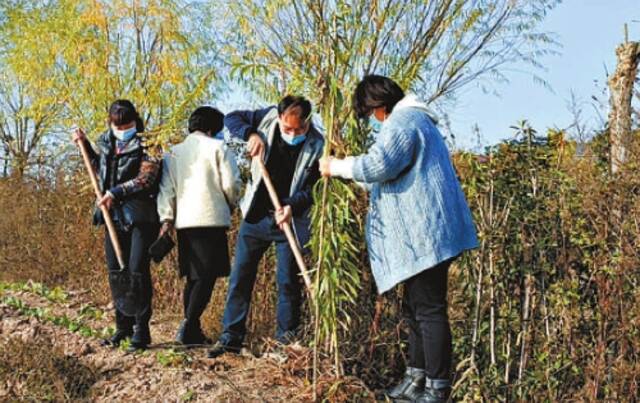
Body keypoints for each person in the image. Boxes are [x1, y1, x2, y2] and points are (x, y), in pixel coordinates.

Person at [319, 75, 479, 403]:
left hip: (426, 235)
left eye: (370, 113)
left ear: (380, 105)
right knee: (414, 309)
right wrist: (351, 172)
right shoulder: (415, 120)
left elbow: (380, 164)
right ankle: (415, 378)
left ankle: (436, 387)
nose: (373, 120)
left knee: (429, 310)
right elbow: (389, 173)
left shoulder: (404, 121)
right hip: (424, 236)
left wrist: (337, 166)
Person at [207, 95, 324, 358]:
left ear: (307, 123)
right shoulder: (267, 117)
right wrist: (251, 134)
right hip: (256, 216)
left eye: (299, 129)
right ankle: (231, 336)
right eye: (287, 129)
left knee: (287, 283)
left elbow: (312, 188)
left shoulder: (317, 144)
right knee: (241, 276)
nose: (293, 134)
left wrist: (292, 205)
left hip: (288, 221)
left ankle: (285, 343)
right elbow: (231, 118)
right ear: (280, 119)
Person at [72, 100, 161, 352]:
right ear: (110, 123)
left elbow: (147, 179)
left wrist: (116, 191)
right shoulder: (105, 141)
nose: (123, 129)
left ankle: (141, 331)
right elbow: (97, 168)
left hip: (140, 216)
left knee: (136, 271)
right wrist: (85, 144)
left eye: (127, 124)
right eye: (118, 125)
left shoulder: (150, 143)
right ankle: (122, 327)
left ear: (135, 120)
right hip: (112, 216)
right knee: (116, 272)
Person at [157, 106, 242, 346]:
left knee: (195, 277)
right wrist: (231, 204)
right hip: (212, 218)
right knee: (207, 277)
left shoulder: (173, 153)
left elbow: (167, 190)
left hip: (185, 221)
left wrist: (167, 218)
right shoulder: (218, 147)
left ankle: (192, 329)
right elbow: (232, 183)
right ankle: (188, 324)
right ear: (212, 128)